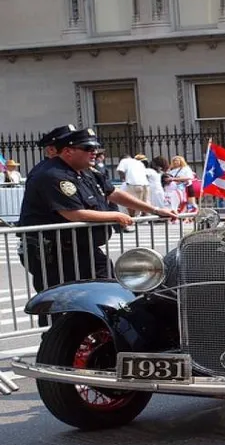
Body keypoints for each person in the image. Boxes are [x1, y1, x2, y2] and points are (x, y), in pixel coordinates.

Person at [17, 128, 178, 326]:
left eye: (95, 147)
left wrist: (154, 209)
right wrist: (116, 215)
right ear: (68, 151)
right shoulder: (52, 175)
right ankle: (56, 348)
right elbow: (72, 214)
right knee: (62, 302)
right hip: (54, 254)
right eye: (87, 148)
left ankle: (101, 338)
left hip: (83, 249)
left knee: (109, 290)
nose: (94, 152)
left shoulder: (86, 172)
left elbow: (113, 193)